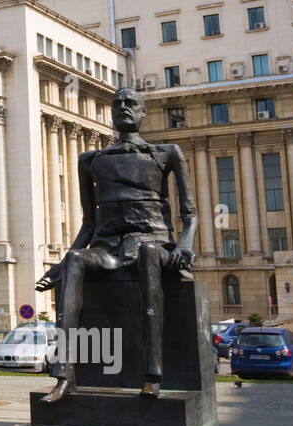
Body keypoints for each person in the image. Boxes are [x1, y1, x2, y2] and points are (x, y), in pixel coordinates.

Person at [35, 88, 198, 401]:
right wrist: (59, 266)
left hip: (155, 244)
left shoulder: (167, 154)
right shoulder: (91, 160)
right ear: (110, 112)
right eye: (118, 104)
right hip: (108, 247)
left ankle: (152, 374)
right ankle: (64, 377)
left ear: (142, 112)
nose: (124, 108)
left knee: (149, 253)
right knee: (75, 261)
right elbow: (88, 224)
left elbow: (189, 215)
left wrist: (183, 246)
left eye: (131, 103)